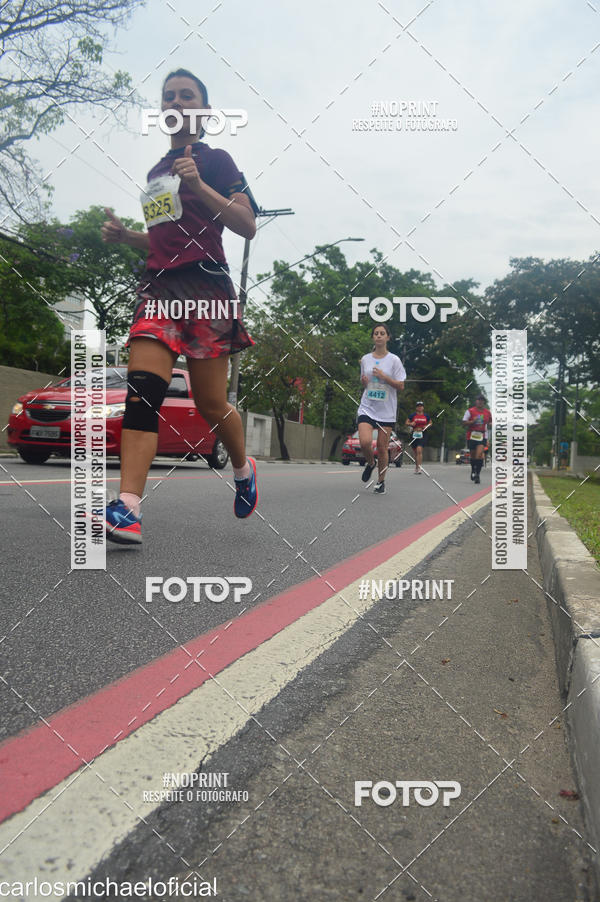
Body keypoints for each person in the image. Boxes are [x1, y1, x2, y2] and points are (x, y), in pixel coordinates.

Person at [101, 69, 258, 545]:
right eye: (169, 96)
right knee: (143, 391)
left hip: (207, 290)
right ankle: (127, 508)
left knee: (211, 402)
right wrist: (124, 236)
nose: (176, 101)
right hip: (160, 289)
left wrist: (201, 184)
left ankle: (242, 467)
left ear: (204, 111)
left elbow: (247, 224)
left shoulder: (217, 160)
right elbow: (161, 238)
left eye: (187, 95)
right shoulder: (155, 173)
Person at [357, 324, 406, 494]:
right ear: (373, 337)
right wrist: (365, 382)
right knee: (364, 442)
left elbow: (400, 386)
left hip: (386, 411)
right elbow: (366, 384)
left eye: (382, 333)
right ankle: (371, 463)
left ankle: (381, 481)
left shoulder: (394, 360)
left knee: (382, 447)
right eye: (376, 333)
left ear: (387, 338)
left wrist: (384, 377)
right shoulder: (365, 359)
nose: (378, 336)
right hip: (367, 407)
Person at [462, 395, 492, 484]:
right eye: (479, 400)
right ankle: (473, 470)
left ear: (484, 402)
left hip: (482, 436)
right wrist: (472, 421)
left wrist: (490, 424)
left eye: (482, 400)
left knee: (479, 455)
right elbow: (463, 423)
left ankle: (477, 475)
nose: (480, 402)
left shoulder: (487, 412)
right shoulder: (470, 411)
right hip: (471, 435)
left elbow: (490, 422)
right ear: (476, 401)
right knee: (473, 456)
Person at [405, 401, 431, 474]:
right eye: (418, 406)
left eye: (421, 406)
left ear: (423, 407)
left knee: (419, 450)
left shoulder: (426, 416)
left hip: (423, 434)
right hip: (414, 434)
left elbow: (430, 423)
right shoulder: (412, 415)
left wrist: (426, 426)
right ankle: (416, 466)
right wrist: (411, 424)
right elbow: (406, 422)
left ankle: (419, 467)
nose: (420, 407)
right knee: (416, 452)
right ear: (416, 407)